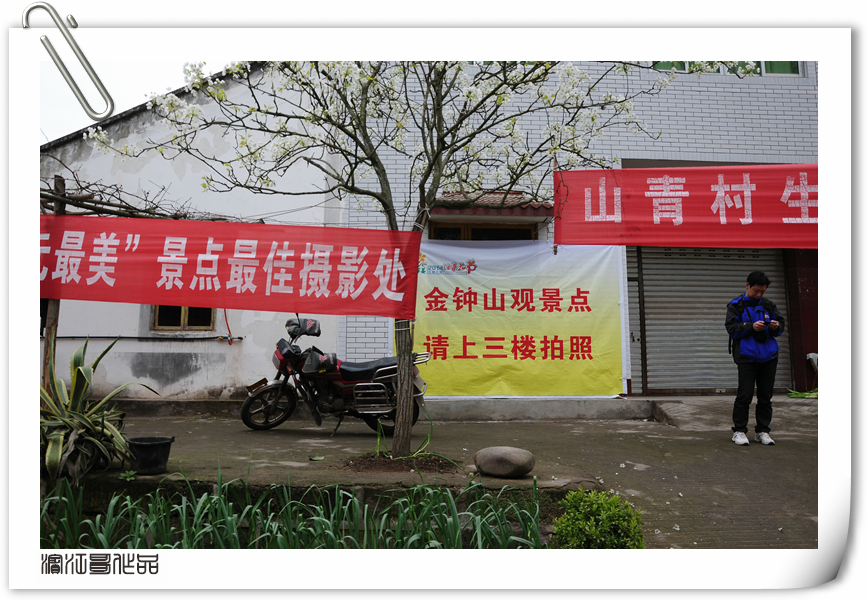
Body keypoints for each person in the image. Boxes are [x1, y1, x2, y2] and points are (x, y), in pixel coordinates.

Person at [725, 271, 786, 446]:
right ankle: (739, 431)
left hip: (769, 356)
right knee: (744, 395)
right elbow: (731, 329)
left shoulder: (769, 305)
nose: (759, 294)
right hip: (747, 356)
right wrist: (751, 327)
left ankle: (763, 431)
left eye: (762, 291)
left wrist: (775, 327)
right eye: (756, 291)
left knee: (765, 396)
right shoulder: (736, 305)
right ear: (747, 286)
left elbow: (781, 327)